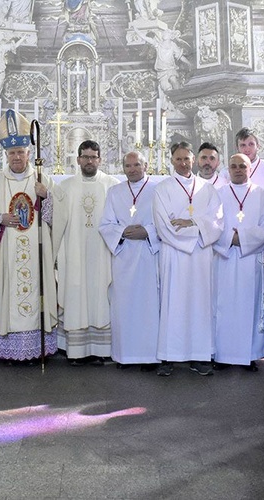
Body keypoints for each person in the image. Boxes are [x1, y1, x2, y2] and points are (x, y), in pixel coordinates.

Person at [0, 110, 65, 363]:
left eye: (21, 152)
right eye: (12, 153)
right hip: (6, 251)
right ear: (6, 155)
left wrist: (46, 197)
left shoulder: (42, 179)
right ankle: (6, 344)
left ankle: (35, 347)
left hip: (37, 252)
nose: (17, 157)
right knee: (8, 291)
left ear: (29, 153)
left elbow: (59, 216)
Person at [152, 141, 223, 376]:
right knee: (172, 304)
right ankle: (168, 357)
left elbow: (216, 222)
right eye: (178, 159)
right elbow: (164, 226)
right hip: (174, 255)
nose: (183, 163)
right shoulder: (163, 189)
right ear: (171, 161)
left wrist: (190, 223)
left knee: (199, 305)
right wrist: (195, 231)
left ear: (194, 160)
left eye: (187, 159)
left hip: (201, 256)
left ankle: (200, 356)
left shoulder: (208, 189)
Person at [53, 140, 119, 365]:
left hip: (102, 252)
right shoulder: (65, 187)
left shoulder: (112, 185)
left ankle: (100, 350)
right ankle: (76, 350)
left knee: (100, 293)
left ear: (100, 159)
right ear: (78, 159)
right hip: (74, 252)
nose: (89, 161)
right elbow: (55, 220)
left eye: (93, 157)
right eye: (85, 157)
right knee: (76, 292)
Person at [212, 153, 264, 371]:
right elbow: (211, 225)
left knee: (250, 306)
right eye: (234, 166)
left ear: (250, 169)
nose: (238, 170)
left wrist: (243, 239)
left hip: (252, 260)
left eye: (243, 166)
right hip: (225, 259)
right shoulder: (217, 194)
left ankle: (250, 355)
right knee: (224, 306)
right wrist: (231, 239)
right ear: (228, 170)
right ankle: (222, 354)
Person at [99, 151, 160, 370]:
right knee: (123, 307)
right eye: (128, 165)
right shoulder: (114, 192)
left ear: (146, 166)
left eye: (137, 165)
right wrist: (122, 232)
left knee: (149, 306)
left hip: (148, 256)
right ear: (123, 168)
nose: (132, 169)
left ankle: (150, 357)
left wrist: (148, 232)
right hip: (124, 257)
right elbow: (105, 224)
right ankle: (125, 356)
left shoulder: (157, 190)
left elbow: (164, 222)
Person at [223, 127, 264, 192]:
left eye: (251, 144)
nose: (247, 149)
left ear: (258, 146)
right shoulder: (225, 173)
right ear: (237, 148)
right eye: (243, 145)